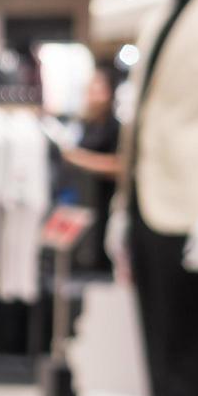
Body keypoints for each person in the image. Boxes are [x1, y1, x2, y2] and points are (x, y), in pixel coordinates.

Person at [61, 66, 123, 274]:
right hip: (81, 200)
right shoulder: (85, 123)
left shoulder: (114, 127)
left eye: (99, 88)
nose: (93, 93)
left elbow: (119, 165)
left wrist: (79, 159)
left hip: (103, 202)